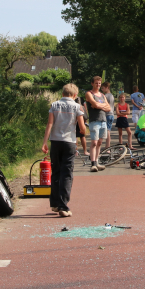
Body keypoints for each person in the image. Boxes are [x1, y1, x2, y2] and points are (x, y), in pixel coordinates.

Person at [42, 83, 86, 217]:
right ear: (75, 95)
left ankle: (55, 203)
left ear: (62, 93)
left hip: (55, 141)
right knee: (66, 173)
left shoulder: (54, 105)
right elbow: (82, 127)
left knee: (55, 172)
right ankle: (63, 206)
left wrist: (45, 142)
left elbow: (50, 123)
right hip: (69, 142)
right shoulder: (77, 107)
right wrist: (82, 131)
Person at [85, 76, 111, 172]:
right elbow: (94, 104)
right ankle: (93, 164)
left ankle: (97, 162)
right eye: (96, 83)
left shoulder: (103, 95)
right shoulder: (89, 93)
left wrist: (99, 106)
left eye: (99, 83)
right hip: (94, 120)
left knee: (99, 143)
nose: (98, 85)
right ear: (92, 83)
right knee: (94, 143)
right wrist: (100, 105)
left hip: (103, 120)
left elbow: (109, 108)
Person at [101, 81, 115, 149]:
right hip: (111, 114)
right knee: (108, 130)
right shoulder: (111, 95)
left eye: (103, 88)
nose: (102, 89)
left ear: (107, 88)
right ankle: (107, 146)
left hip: (107, 114)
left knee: (107, 131)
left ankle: (107, 147)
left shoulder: (105, 96)